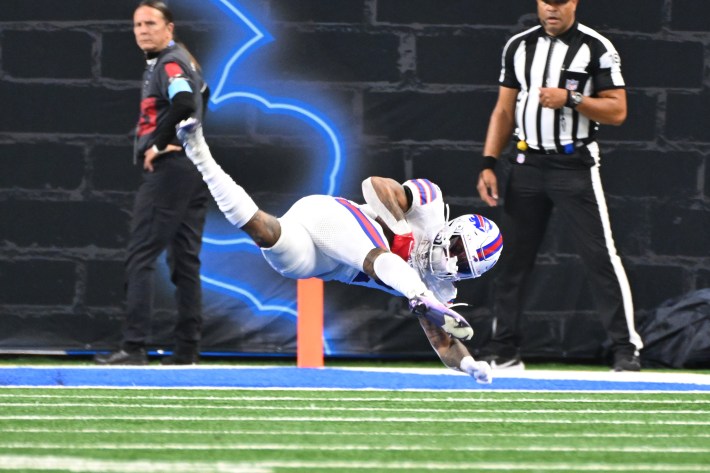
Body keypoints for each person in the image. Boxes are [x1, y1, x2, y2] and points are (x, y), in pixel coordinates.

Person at [175, 117, 503, 384]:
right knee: (379, 257)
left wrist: (469, 365)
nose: (453, 260)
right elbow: (375, 185)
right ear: (455, 229)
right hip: (331, 217)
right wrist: (401, 228)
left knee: (262, 232)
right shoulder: (429, 204)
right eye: (459, 249)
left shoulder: (442, 288)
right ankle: (415, 293)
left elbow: (444, 343)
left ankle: (199, 154)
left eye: (464, 266)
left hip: (324, 263)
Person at [476, 0, 643, 371]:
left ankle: (624, 348)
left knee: (600, 258)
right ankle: (503, 347)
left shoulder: (595, 47)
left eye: (559, 2)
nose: (551, 9)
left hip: (573, 164)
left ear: (574, 3)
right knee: (512, 260)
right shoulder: (519, 46)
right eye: (545, 2)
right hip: (526, 164)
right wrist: (488, 162)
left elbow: (618, 110)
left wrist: (572, 98)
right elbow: (503, 110)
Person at [95, 1, 210, 366]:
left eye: (150, 23)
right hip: (194, 170)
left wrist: (161, 142)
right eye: (137, 25)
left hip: (172, 172)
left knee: (141, 256)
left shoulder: (170, 62)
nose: (142, 30)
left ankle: (133, 346)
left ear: (169, 28)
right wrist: (188, 138)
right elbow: (204, 94)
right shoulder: (178, 60)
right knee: (185, 263)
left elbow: (187, 102)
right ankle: (187, 350)